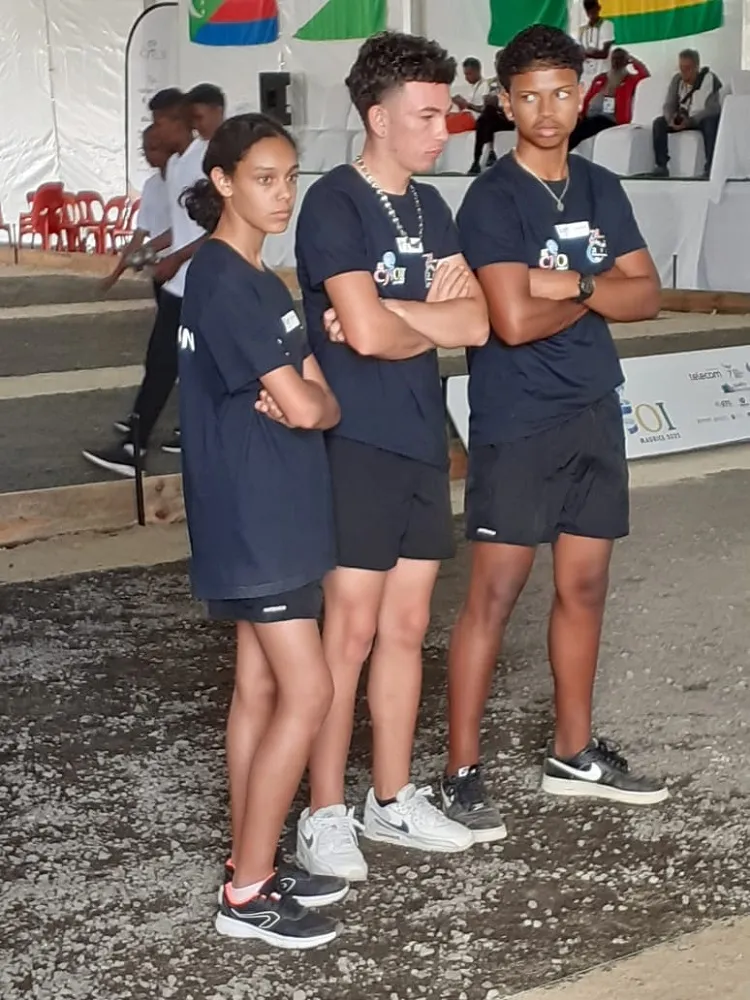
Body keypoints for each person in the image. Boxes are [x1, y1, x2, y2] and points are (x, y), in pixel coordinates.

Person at [443, 24, 669, 839]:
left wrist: (566, 282)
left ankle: (572, 752)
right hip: (518, 417)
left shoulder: (602, 187)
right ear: (506, 104)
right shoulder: (492, 198)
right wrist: (597, 287)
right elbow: (509, 321)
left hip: (593, 407)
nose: (547, 110)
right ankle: (459, 772)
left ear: (582, 97)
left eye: (562, 93)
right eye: (530, 96)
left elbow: (649, 296)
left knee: (584, 587)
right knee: (494, 595)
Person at [294, 30, 490, 881]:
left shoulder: (433, 207)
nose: (444, 129)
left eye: (445, 113)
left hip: (418, 439)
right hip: (356, 442)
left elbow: (476, 322)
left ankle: (391, 796)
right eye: (427, 115)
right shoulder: (333, 203)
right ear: (378, 118)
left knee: (408, 628)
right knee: (349, 634)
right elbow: (365, 336)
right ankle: (323, 813)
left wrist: (389, 315)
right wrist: (408, 319)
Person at [179, 113, 347, 948]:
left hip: (277, 506)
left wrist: (308, 401)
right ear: (223, 182)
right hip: (255, 516)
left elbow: (323, 402)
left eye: (290, 179)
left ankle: (254, 863)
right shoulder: (221, 280)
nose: (283, 196)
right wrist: (307, 401)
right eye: (263, 179)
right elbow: (304, 402)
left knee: (260, 688)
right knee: (308, 692)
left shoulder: (260, 280)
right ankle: (246, 893)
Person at [82, 90, 207, 474]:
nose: (154, 131)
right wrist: (154, 251)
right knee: (169, 363)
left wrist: (176, 259)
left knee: (166, 363)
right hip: (177, 284)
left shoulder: (203, 161)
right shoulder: (178, 165)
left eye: (158, 123)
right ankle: (180, 434)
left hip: (195, 284)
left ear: (176, 121)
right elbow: (181, 228)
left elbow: (218, 226)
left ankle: (135, 447)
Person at [101, 125, 171, 296]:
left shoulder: (183, 182)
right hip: (159, 268)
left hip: (183, 265)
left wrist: (145, 250)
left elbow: (182, 230)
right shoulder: (151, 185)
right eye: (144, 150)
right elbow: (139, 233)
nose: (148, 155)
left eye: (153, 148)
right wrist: (114, 276)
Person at [651, 49, 721, 178]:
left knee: (711, 123)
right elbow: (669, 104)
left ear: (696, 67)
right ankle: (661, 166)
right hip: (682, 117)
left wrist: (692, 121)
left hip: (700, 118)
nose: (684, 72)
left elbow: (713, 109)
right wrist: (671, 119)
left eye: (688, 68)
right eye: (681, 68)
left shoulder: (710, 80)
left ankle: (710, 167)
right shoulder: (677, 80)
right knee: (659, 123)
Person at [569, 48, 649, 150]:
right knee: (571, 124)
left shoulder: (630, 80)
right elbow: (589, 97)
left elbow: (645, 75)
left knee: (584, 128)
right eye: (614, 58)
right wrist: (581, 114)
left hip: (609, 119)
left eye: (620, 58)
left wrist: (634, 61)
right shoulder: (601, 78)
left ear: (626, 61)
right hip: (590, 116)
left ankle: (562, 152)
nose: (616, 61)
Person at [469, 49, 515, 175]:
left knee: (485, 119)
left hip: (510, 118)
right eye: (497, 63)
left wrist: (501, 103)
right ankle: (486, 155)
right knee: (485, 118)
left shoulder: (516, 81)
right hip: (494, 116)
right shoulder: (491, 82)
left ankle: (479, 159)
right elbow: (485, 106)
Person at [448, 57, 492, 134]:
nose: (466, 78)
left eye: (469, 74)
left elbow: (485, 109)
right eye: (465, 74)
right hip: (467, 115)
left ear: (478, 71)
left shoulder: (485, 85)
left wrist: (466, 104)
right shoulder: (472, 86)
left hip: (474, 118)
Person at [578, 0, 615, 90]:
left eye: (594, 11)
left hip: (602, 73)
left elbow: (604, 54)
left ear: (599, 8)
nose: (591, 14)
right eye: (589, 11)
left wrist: (586, 54)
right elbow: (579, 52)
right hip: (586, 75)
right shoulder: (582, 29)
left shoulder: (607, 25)